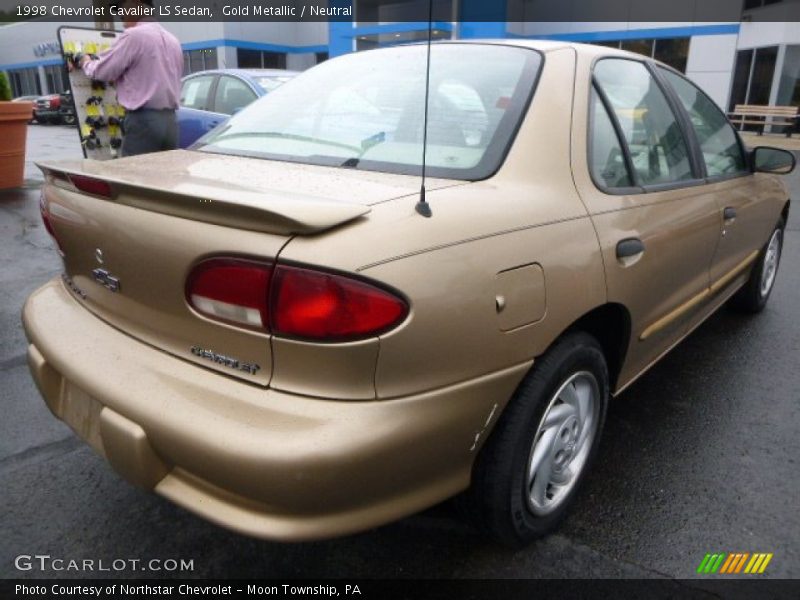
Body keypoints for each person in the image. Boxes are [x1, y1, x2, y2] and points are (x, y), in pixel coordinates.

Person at [72, 0, 183, 156]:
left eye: (121, 11)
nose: (121, 19)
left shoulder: (134, 36)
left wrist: (85, 62)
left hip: (144, 122)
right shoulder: (173, 40)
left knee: (133, 176)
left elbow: (102, 71)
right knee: (165, 177)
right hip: (170, 122)